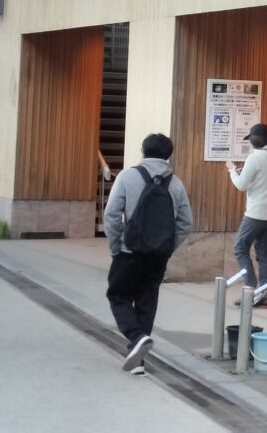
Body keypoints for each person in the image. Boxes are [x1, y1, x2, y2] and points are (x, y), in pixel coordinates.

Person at [103, 133, 192, 376]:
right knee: (147, 299)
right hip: (158, 256)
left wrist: (116, 247)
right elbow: (186, 222)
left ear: (143, 151)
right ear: (169, 155)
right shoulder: (176, 184)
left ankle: (136, 337)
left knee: (118, 295)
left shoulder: (127, 176)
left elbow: (111, 215)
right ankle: (138, 361)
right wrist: (167, 247)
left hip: (129, 251)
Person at [226, 123, 267, 308]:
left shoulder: (254, 158)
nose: (251, 142)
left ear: (260, 139)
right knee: (263, 254)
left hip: (256, 213)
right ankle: (263, 296)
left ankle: (250, 289)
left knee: (240, 248)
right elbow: (260, 181)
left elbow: (241, 185)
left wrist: (232, 171)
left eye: (252, 138)